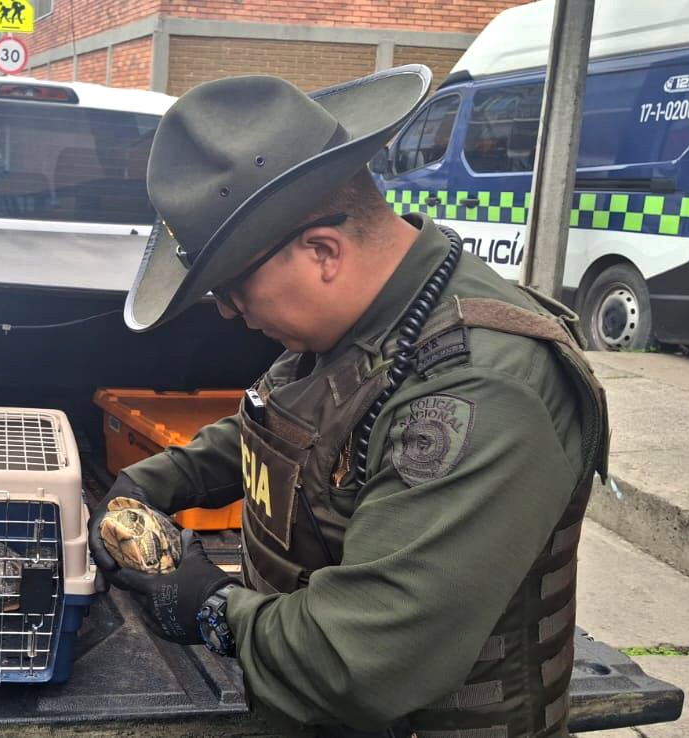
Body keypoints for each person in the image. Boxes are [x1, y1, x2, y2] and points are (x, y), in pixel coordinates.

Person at [88, 67, 610, 738]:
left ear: (323, 252)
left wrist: (210, 609)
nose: (227, 312)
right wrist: (162, 477)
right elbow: (288, 416)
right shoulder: (359, 318)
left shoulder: (485, 386)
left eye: (232, 288)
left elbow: (358, 662)